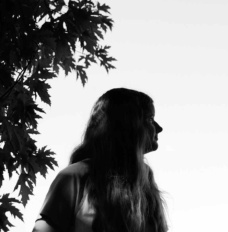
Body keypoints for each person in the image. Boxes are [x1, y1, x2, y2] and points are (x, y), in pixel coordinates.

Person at [32, 88, 168, 232]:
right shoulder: (74, 177)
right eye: (150, 119)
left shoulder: (147, 185)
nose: (159, 128)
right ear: (128, 124)